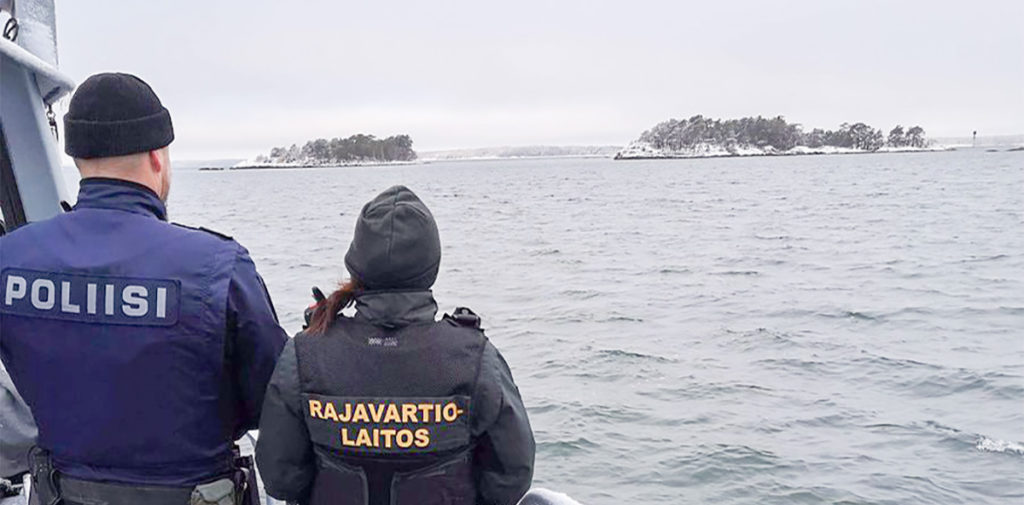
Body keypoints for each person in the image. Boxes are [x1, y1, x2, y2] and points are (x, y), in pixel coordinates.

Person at [0, 73, 288, 504]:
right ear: (158, 157)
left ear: (79, 159)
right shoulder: (217, 266)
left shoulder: (10, 259)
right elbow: (272, 395)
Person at [256, 185, 535, 505]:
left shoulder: (305, 353)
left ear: (356, 266)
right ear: (431, 266)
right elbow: (511, 477)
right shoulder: (474, 358)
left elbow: (281, 478)